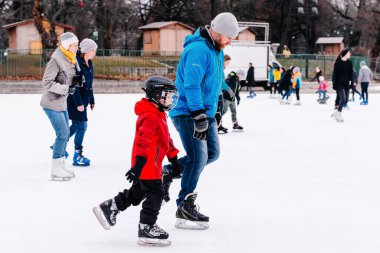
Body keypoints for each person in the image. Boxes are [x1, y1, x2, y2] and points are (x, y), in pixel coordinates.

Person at [161, 12, 239, 230]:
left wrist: (223, 97)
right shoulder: (198, 50)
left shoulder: (216, 50)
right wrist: (198, 115)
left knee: (212, 153)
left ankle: (169, 171)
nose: (230, 42)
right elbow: (192, 85)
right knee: (198, 157)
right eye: (229, 37)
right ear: (218, 32)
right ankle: (184, 207)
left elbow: (215, 80)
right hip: (188, 112)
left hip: (205, 111)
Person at [93, 76, 180, 247]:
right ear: (157, 95)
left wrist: (174, 159)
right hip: (146, 164)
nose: (171, 99)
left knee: (138, 192)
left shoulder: (159, 114)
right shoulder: (150, 116)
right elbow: (143, 141)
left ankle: (110, 207)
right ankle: (147, 227)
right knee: (156, 193)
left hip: (152, 164)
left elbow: (166, 140)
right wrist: (138, 165)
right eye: (168, 95)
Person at [41, 32, 81, 180]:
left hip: (61, 102)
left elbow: (68, 78)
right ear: (67, 46)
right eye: (75, 45)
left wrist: (77, 80)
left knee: (64, 136)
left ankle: (61, 164)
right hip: (51, 102)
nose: (77, 48)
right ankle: (55, 168)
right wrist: (66, 89)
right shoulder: (55, 61)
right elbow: (46, 82)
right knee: (63, 134)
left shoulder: (70, 58)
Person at [67, 38, 98, 166]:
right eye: (93, 50)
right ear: (87, 51)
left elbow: (89, 85)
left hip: (84, 101)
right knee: (82, 126)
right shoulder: (77, 65)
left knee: (76, 126)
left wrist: (91, 100)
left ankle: (59, 144)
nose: (94, 52)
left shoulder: (90, 65)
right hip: (75, 100)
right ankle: (77, 155)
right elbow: (74, 87)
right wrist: (79, 103)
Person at [331, 48, 353, 122]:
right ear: (345, 54)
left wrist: (352, 82)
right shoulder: (338, 63)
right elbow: (335, 74)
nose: (350, 54)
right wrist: (334, 83)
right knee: (343, 98)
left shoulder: (349, 62)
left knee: (346, 99)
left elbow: (351, 73)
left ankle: (335, 112)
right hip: (339, 83)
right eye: (349, 53)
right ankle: (339, 114)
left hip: (346, 83)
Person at [216, 54, 234, 134]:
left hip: (219, 93)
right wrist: (229, 89)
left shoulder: (220, 69)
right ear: (224, 61)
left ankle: (219, 125)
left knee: (220, 110)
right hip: (216, 93)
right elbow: (221, 82)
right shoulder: (219, 68)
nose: (228, 64)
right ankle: (217, 126)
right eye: (227, 62)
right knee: (218, 110)